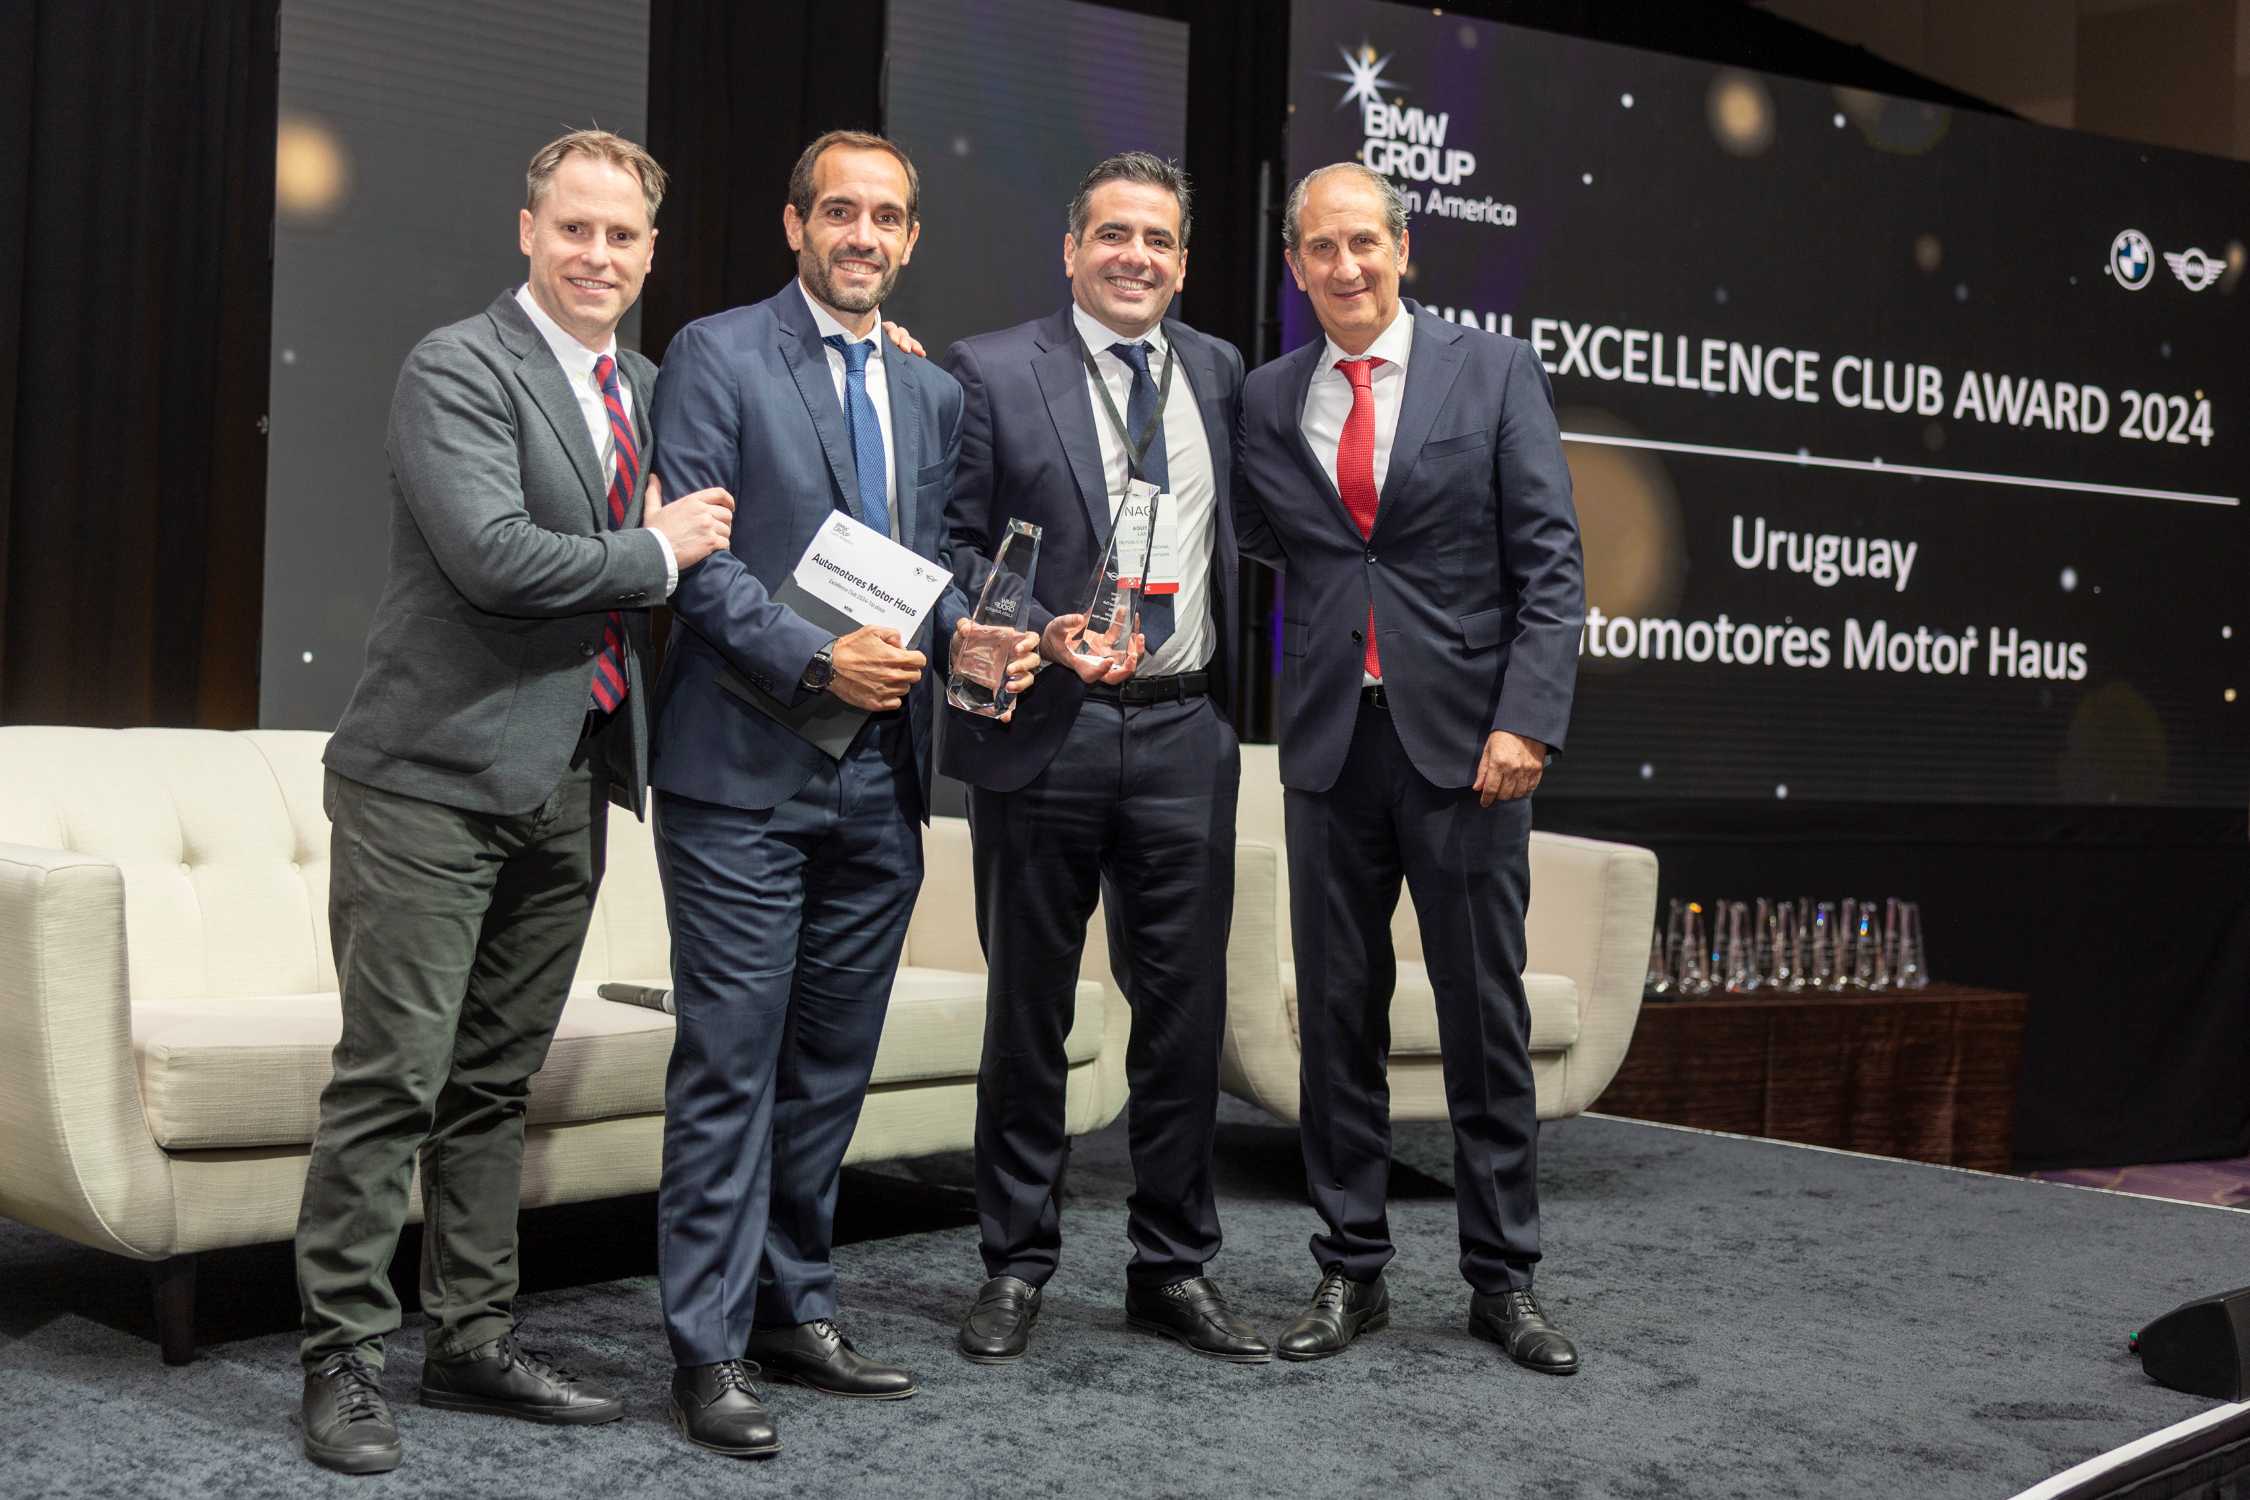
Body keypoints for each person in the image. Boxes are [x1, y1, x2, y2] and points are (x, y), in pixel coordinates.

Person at [296, 129, 736, 1475]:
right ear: (528, 230)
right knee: (394, 1078)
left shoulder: (652, 389)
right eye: (575, 228)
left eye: (623, 235)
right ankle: (340, 1361)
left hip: (571, 774)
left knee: (493, 1082)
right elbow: (494, 557)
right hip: (428, 779)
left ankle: (470, 1340)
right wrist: (655, 549)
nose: (598, 254)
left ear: (651, 252)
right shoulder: (458, 366)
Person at [646, 129, 1037, 1459]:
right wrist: (817, 659)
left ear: (910, 237)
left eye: (885, 217)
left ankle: (791, 1307)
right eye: (839, 212)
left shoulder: (928, 392)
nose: (861, 235)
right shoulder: (714, 353)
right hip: (742, 773)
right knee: (730, 1065)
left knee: (827, 1068)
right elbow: (697, 567)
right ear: (794, 223)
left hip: (882, 776)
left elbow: (929, 561)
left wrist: (979, 637)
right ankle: (704, 1350)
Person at [1234, 162, 1587, 1373]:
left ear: (1403, 247)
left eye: (1364, 243)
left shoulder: (1494, 371)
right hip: (1332, 744)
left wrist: (1526, 721)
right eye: (1322, 249)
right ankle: (1350, 1269)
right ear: (1297, 267)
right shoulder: (1269, 395)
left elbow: (1551, 563)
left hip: (1469, 750)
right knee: (1340, 1018)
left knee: (1484, 1017)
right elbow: (1269, 536)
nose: (1346, 267)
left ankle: (1505, 1281)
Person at [939, 153, 1268, 1365]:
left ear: (1183, 263)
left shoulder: (1220, 373)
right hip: (1048, 725)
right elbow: (951, 543)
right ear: (1072, 249)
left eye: (1160, 240)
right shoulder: (989, 370)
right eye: (1115, 235)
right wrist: (1036, 630)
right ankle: (1015, 1263)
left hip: (1184, 728)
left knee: (1183, 1017)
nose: (1137, 256)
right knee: (1030, 1011)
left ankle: (1172, 1266)